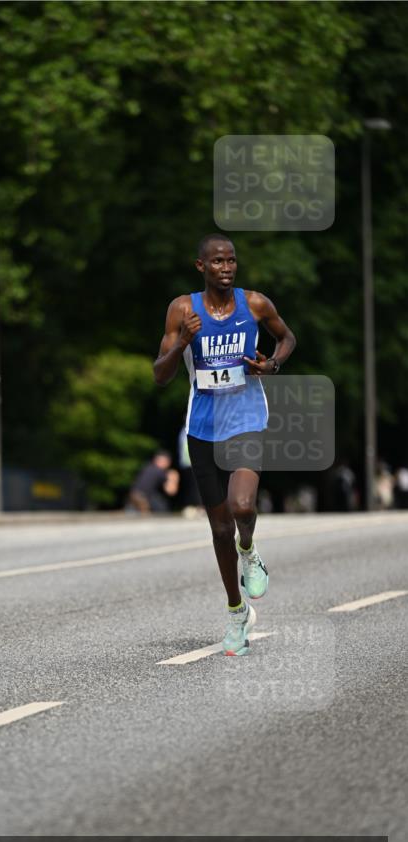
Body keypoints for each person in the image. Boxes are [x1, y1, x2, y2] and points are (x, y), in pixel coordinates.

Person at [154, 234, 296, 655]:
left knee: (242, 506)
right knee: (219, 529)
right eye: (217, 262)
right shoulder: (182, 310)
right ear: (201, 266)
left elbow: (287, 338)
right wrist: (183, 342)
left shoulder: (255, 304)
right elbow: (160, 375)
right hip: (203, 427)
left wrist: (272, 365)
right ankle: (237, 612)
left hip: (247, 419)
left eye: (231, 261)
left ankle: (248, 550)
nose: (227, 268)